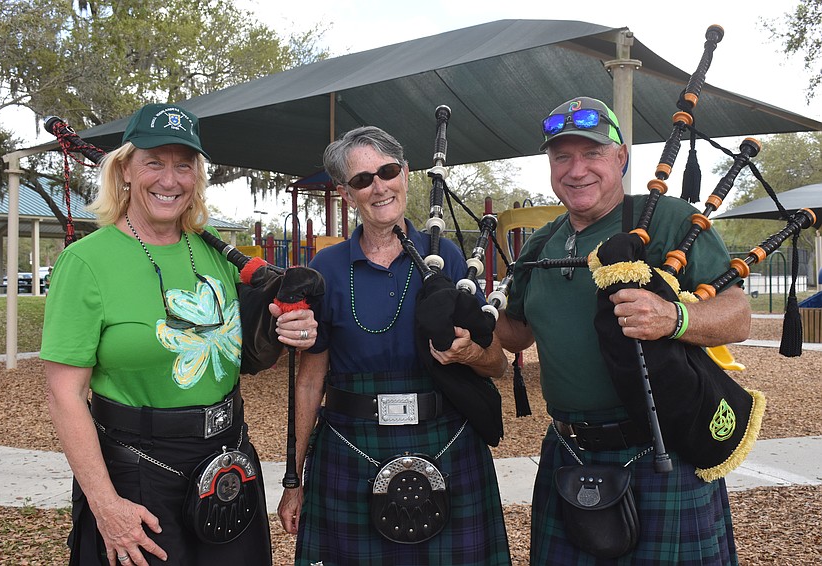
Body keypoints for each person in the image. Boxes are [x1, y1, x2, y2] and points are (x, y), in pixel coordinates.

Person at [41, 102, 317, 566]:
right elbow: (63, 396)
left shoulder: (213, 255)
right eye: (154, 162)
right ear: (125, 169)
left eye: (183, 166)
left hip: (228, 461)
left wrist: (293, 326)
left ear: (196, 177)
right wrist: (106, 505)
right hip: (137, 472)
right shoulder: (87, 262)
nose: (169, 180)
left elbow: (244, 348)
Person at [494, 96, 752, 565]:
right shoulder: (540, 243)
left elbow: (738, 315)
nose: (576, 170)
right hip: (569, 451)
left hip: (661, 447)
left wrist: (674, 318)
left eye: (591, 153)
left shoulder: (670, 220)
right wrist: (475, 319)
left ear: (621, 157)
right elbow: (518, 334)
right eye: (562, 156)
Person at [277, 126, 512, 565]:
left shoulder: (447, 259)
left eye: (387, 171)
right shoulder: (326, 267)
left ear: (405, 174)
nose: (379, 186)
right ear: (348, 195)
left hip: (446, 441)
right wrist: (295, 478)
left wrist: (469, 353)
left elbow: (496, 363)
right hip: (350, 446)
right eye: (362, 180)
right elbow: (310, 381)